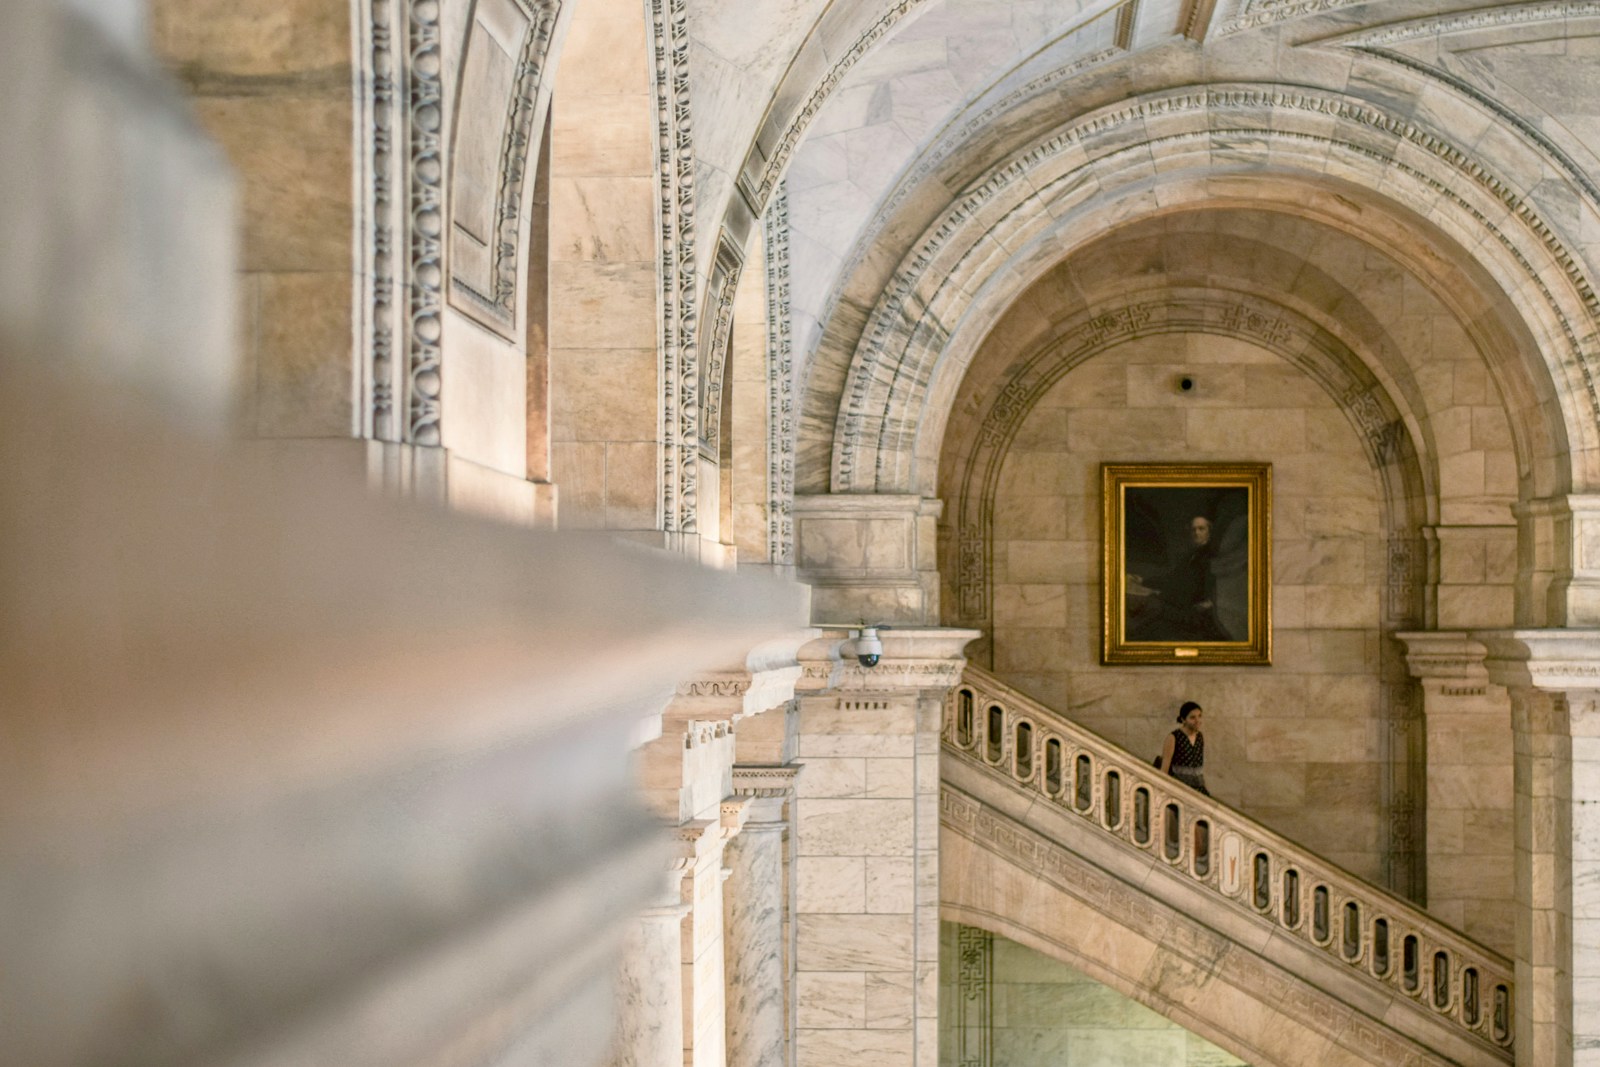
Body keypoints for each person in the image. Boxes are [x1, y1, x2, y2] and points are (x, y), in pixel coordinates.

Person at [1126, 516, 1232, 642]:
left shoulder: (1212, 556)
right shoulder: (1191, 555)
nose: (1196, 533)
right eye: (1193, 530)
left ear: (1209, 532)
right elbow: (1172, 577)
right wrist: (1143, 580)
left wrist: (1209, 603)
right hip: (1176, 600)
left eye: (1201, 529)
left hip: (1190, 609)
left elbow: (1216, 587)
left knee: (1145, 609)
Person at [1157, 701, 1208, 795]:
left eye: (1199, 716)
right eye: (1192, 717)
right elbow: (1164, 769)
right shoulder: (1173, 737)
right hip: (1180, 789)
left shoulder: (1200, 736)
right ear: (1183, 719)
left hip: (1199, 789)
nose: (1198, 720)